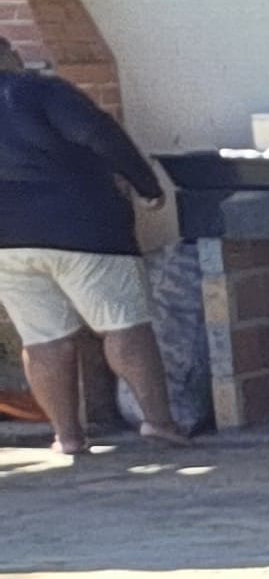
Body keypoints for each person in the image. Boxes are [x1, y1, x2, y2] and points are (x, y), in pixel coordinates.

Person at [0, 43, 186, 455]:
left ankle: (67, 437)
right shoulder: (40, 91)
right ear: (8, 54)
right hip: (85, 228)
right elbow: (97, 133)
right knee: (123, 325)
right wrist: (147, 185)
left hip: (7, 244)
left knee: (43, 340)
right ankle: (160, 424)